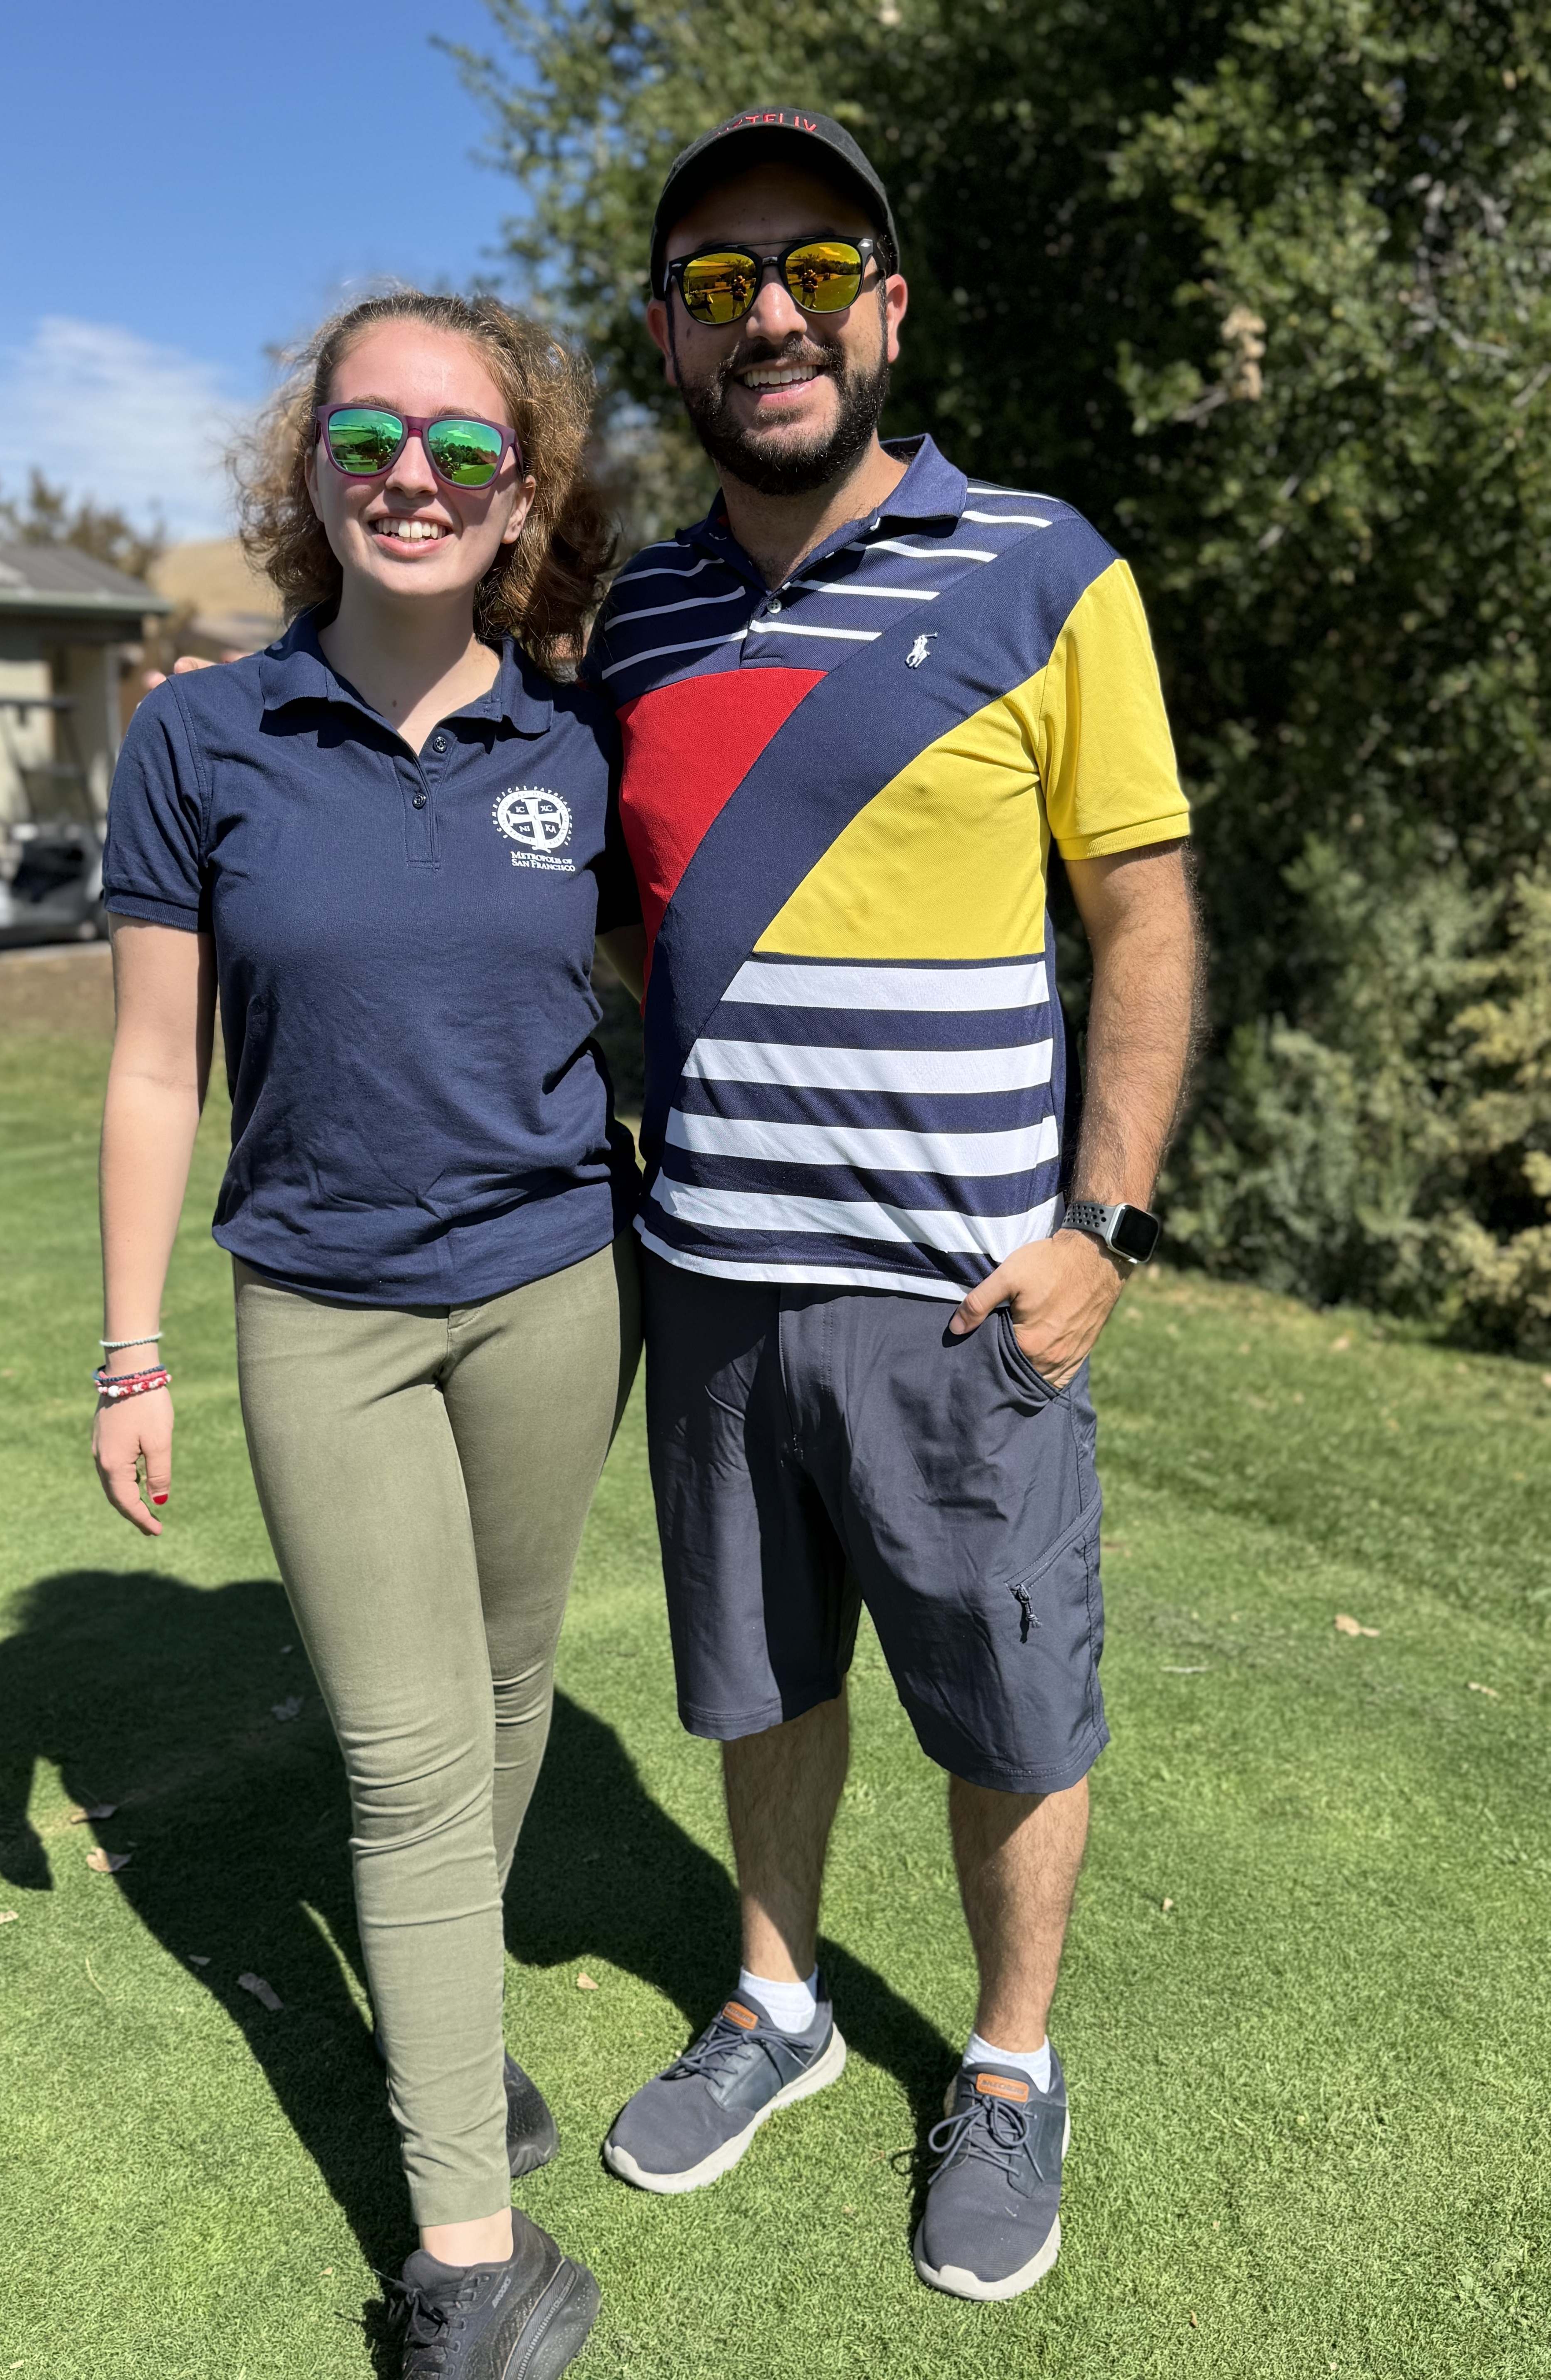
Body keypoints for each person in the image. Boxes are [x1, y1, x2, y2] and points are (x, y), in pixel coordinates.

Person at [590, 109, 1202, 2302]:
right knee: (758, 1683)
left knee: (1010, 1711)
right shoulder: (635, 617)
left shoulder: (1044, 566)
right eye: (719, 280)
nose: (771, 313)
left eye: (817, 267)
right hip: (711, 1291)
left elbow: (1141, 914)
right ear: (671, 336)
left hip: (963, 1306)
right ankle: (778, 2004)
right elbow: (620, 931)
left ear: (890, 311)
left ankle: (1011, 2069)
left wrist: (1102, 1227)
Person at [90, 289, 643, 2380]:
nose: (416, 474)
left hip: (557, 1297)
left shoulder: (578, 740)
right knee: (409, 1764)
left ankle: (449, 2040)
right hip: (322, 1314)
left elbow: (677, 975)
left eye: (467, 446)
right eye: (370, 436)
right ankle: (472, 2273)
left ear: (523, 494)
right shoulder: (202, 736)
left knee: (504, 1693)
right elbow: (158, 1066)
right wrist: (130, 1351)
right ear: (310, 468)